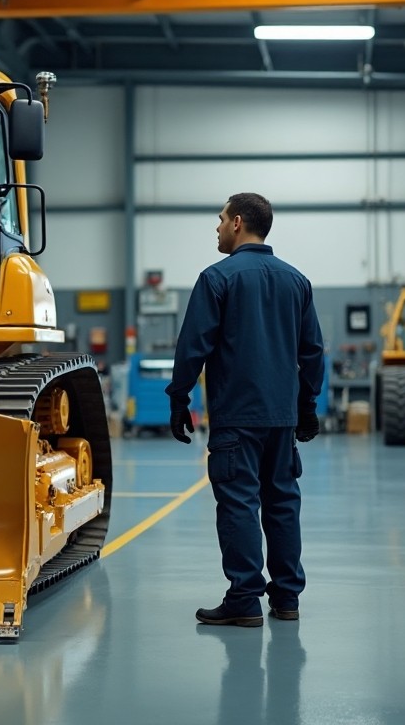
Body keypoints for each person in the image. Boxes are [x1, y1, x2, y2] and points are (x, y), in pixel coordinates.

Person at [166, 192, 325, 628]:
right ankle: (287, 598)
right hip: (282, 418)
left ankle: (244, 599)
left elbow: (192, 345)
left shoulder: (218, 279)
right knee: (282, 504)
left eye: (219, 220)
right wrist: (307, 404)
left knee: (237, 504)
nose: (215, 228)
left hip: (237, 417)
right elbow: (312, 351)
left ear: (237, 222)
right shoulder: (296, 280)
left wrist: (179, 398)